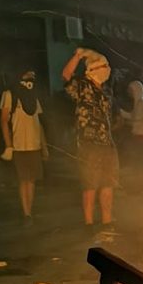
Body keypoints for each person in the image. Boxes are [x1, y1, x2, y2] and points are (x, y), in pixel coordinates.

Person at [62, 48, 118, 233]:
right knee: (90, 184)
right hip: (88, 144)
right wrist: (78, 55)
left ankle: (107, 221)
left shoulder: (107, 91)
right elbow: (66, 75)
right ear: (92, 69)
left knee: (108, 183)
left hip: (107, 144)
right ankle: (88, 223)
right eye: (103, 66)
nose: (107, 70)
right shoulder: (82, 86)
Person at [0, 69, 48, 226]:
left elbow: (38, 123)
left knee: (31, 180)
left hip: (34, 144)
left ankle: (29, 212)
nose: (32, 77)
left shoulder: (33, 95)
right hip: (19, 145)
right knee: (23, 179)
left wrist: (44, 146)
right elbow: (3, 120)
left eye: (33, 75)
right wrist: (8, 145)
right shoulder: (9, 94)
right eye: (29, 74)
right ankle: (26, 213)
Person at [118, 80, 143, 193]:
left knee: (139, 161)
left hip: (140, 135)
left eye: (131, 90)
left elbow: (136, 119)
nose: (129, 92)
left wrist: (123, 119)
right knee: (141, 161)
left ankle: (141, 185)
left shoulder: (140, 104)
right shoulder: (141, 102)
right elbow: (134, 117)